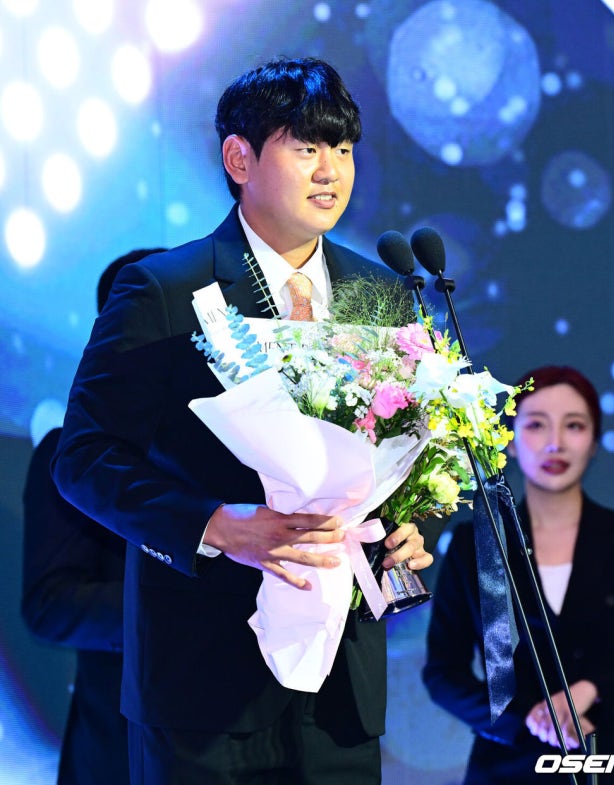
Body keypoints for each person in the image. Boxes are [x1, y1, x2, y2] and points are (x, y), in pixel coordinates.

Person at [52, 57, 432, 785]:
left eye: (343, 148)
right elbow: (86, 458)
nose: (331, 171)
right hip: (201, 687)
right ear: (239, 158)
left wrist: (406, 530)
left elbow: (396, 455)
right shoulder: (165, 289)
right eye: (306, 147)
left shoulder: (382, 292)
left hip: (341, 691)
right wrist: (215, 524)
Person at [423, 364, 614, 783]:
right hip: (507, 762)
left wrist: (593, 689)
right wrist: (527, 718)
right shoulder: (475, 546)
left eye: (574, 425)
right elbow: (442, 674)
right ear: (509, 441)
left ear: (594, 441)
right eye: (537, 425)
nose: (555, 443)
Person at [21, 248, 165, 785]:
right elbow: (51, 605)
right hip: (123, 750)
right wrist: (179, 607)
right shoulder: (75, 455)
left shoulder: (248, 449)